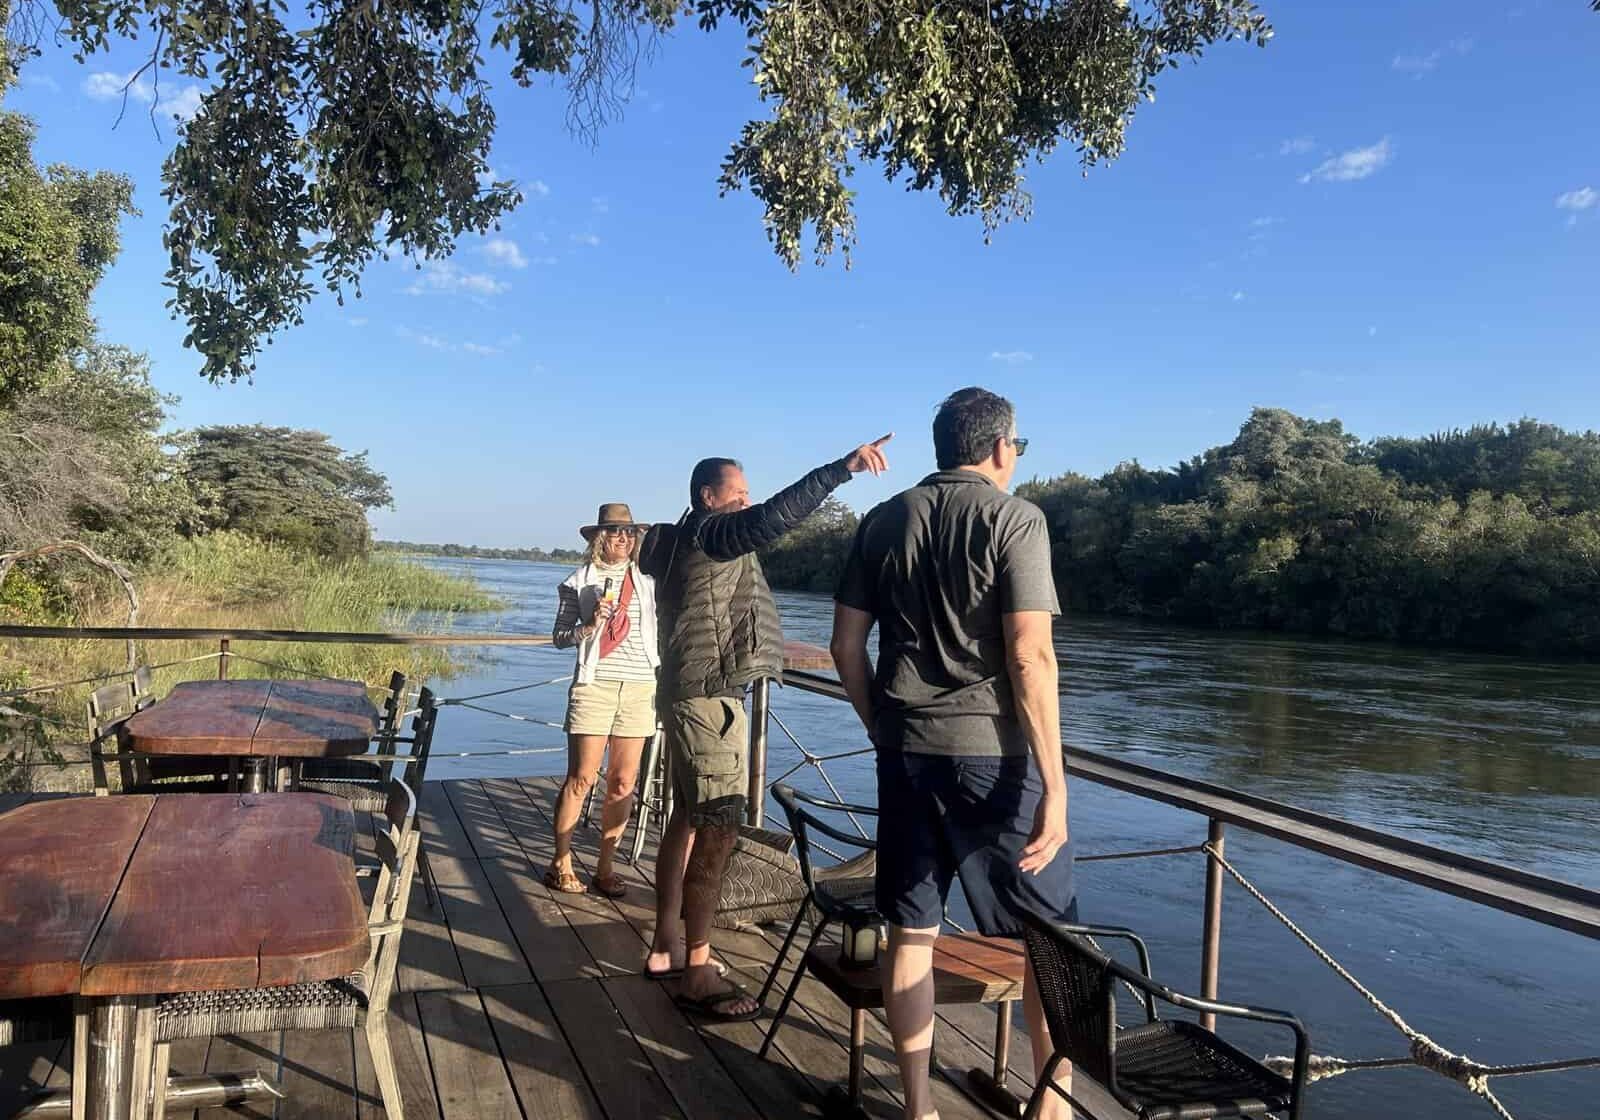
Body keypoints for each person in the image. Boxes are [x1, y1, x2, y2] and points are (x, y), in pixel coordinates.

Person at [831, 388, 1073, 1120]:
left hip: (904, 750)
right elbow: (1030, 655)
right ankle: (1053, 1104)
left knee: (912, 933)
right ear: (1000, 448)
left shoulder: (883, 518)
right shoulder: (1015, 520)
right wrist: (1056, 788)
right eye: (1018, 448)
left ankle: (917, 1109)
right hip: (992, 761)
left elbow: (846, 647)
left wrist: (881, 724)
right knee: (1050, 942)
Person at [638, 436, 893, 1020]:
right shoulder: (710, 532)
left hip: (690, 691)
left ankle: (664, 946)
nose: (747, 503)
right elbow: (771, 520)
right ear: (708, 497)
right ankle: (697, 968)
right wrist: (841, 470)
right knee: (720, 828)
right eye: (739, 493)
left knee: (686, 818)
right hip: (707, 700)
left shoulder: (687, 537)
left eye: (748, 494)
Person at [547, 502, 658, 898]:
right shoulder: (578, 581)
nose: (624, 538)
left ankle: (605, 867)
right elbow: (560, 637)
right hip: (595, 686)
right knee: (581, 778)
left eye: (629, 532)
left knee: (624, 782)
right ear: (599, 538)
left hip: (641, 686)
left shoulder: (648, 579)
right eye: (614, 531)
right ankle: (560, 861)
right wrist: (590, 624)